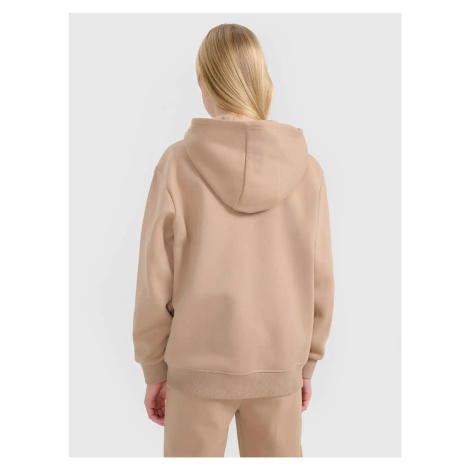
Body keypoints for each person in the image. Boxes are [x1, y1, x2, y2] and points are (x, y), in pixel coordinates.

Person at [133, 23, 334, 458]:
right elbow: (320, 278)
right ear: (261, 80)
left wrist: (154, 368)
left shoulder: (177, 165)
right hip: (279, 370)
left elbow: (154, 278)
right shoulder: (307, 170)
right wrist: (308, 363)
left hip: (195, 372)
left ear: (206, 83)